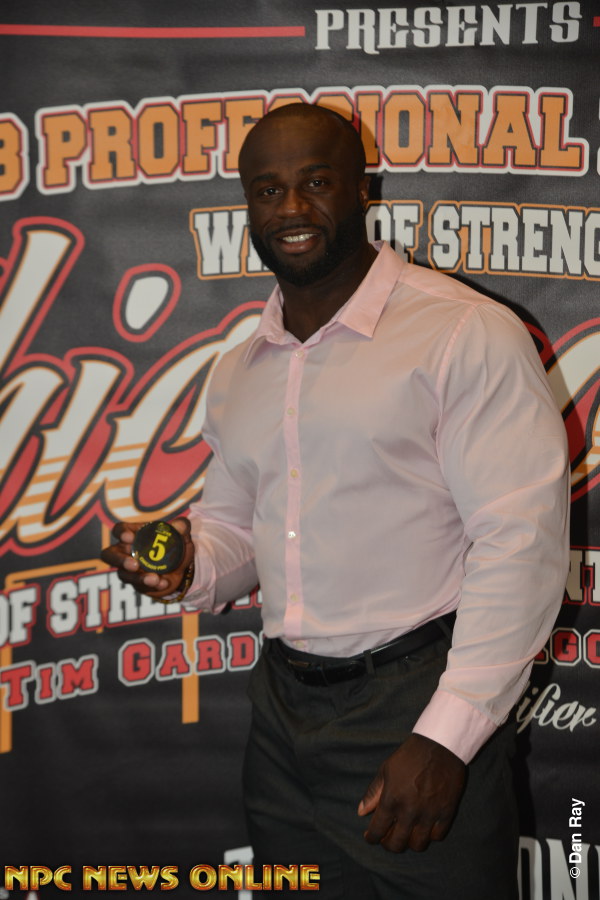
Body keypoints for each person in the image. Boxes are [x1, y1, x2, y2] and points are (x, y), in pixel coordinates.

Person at [102, 103, 570, 899]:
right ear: (247, 206)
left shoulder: (463, 332)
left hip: (415, 700)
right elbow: (234, 528)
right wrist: (185, 564)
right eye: (268, 190)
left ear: (362, 189)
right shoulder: (241, 366)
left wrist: (448, 737)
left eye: (315, 182)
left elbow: (520, 542)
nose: (291, 208)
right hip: (281, 719)